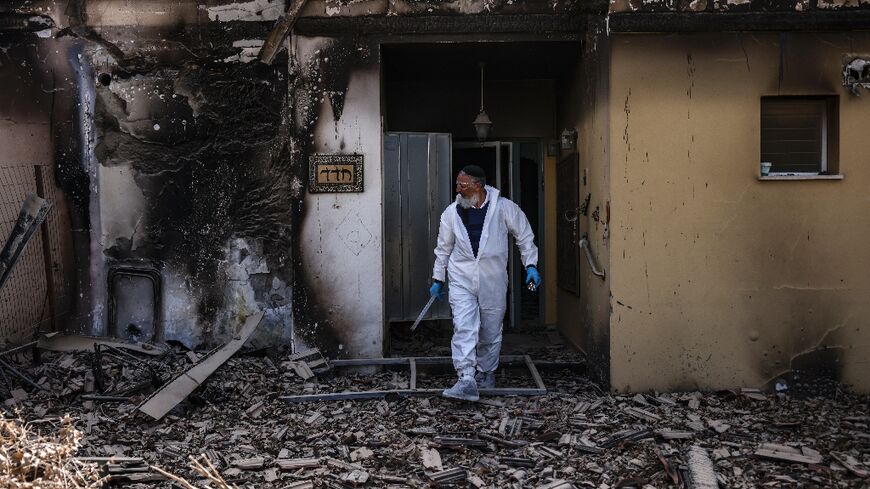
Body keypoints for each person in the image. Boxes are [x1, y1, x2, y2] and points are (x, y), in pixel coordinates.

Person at [429, 165, 541, 401]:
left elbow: (524, 235)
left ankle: (486, 372)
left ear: (478, 186)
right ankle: (466, 378)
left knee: (490, 328)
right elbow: (443, 248)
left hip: (493, 278)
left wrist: (530, 265)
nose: (457, 189)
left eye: (463, 185)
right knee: (464, 326)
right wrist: (438, 278)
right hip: (461, 277)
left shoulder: (503, 208)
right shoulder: (451, 213)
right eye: (458, 184)